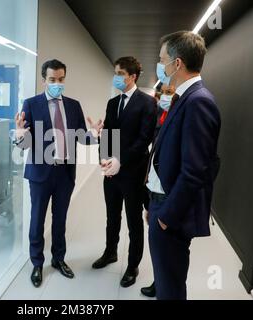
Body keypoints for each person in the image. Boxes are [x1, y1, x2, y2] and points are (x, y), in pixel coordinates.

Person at [14, 59, 103, 288]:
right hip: (40, 173)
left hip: (64, 173)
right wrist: (20, 134)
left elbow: (81, 138)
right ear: (44, 80)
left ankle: (58, 259)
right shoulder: (31, 104)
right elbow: (25, 144)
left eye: (61, 79)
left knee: (60, 219)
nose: (57, 83)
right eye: (52, 80)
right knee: (37, 220)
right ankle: (36, 262)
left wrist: (94, 135)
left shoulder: (74, 106)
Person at [145, 31, 221, 300]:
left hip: (170, 212)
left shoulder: (198, 102)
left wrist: (166, 215)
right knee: (166, 278)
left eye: (162, 59)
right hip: (160, 202)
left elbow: (195, 171)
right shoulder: (183, 98)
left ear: (177, 63)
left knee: (170, 288)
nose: (160, 65)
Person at [91, 56, 157, 288]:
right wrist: (105, 161)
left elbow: (144, 139)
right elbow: (107, 135)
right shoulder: (113, 103)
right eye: (115, 73)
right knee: (112, 216)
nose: (116, 77)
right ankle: (111, 252)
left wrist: (121, 161)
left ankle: (132, 265)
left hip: (133, 174)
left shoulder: (147, 103)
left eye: (120, 73)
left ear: (132, 77)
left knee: (133, 221)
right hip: (111, 174)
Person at [141, 82, 176, 298]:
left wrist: (170, 210)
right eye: (162, 92)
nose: (165, 96)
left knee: (168, 250)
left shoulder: (181, 117)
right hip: (153, 190)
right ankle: (159, 282)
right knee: (157, 245)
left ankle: (164, 286)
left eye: (170, 92)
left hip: (168, 196)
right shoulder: (158, 117)